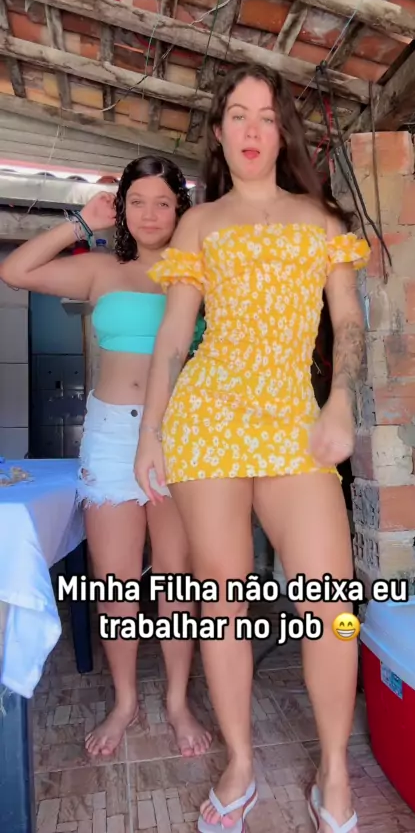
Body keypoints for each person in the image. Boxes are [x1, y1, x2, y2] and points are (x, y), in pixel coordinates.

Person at [134, 65, 369, 833]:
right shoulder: (199, 225)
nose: (252, 129)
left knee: (331, 603)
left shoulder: (321, 220)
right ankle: (239, 763)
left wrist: (341, 401)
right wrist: (150, 432)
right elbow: (175, 336)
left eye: (266, 116)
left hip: (293, 424)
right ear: (219, 131)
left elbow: (349, 322)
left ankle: (334, 773)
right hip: (206, 423)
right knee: (223, 600)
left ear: (281, 132)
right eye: (238, 114)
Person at [0, 156, 212, 760]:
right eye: (136, 201)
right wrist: (80, 222)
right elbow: (15, 270)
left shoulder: (200, 273)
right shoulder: (101, 269)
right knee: (114, 580)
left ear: (180, 210)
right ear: (121, 210)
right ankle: (124, 700)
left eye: (163, 202)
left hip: (181, 436)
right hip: (112, 434)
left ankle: (177, 700)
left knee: (174, 577)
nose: (150, 213)